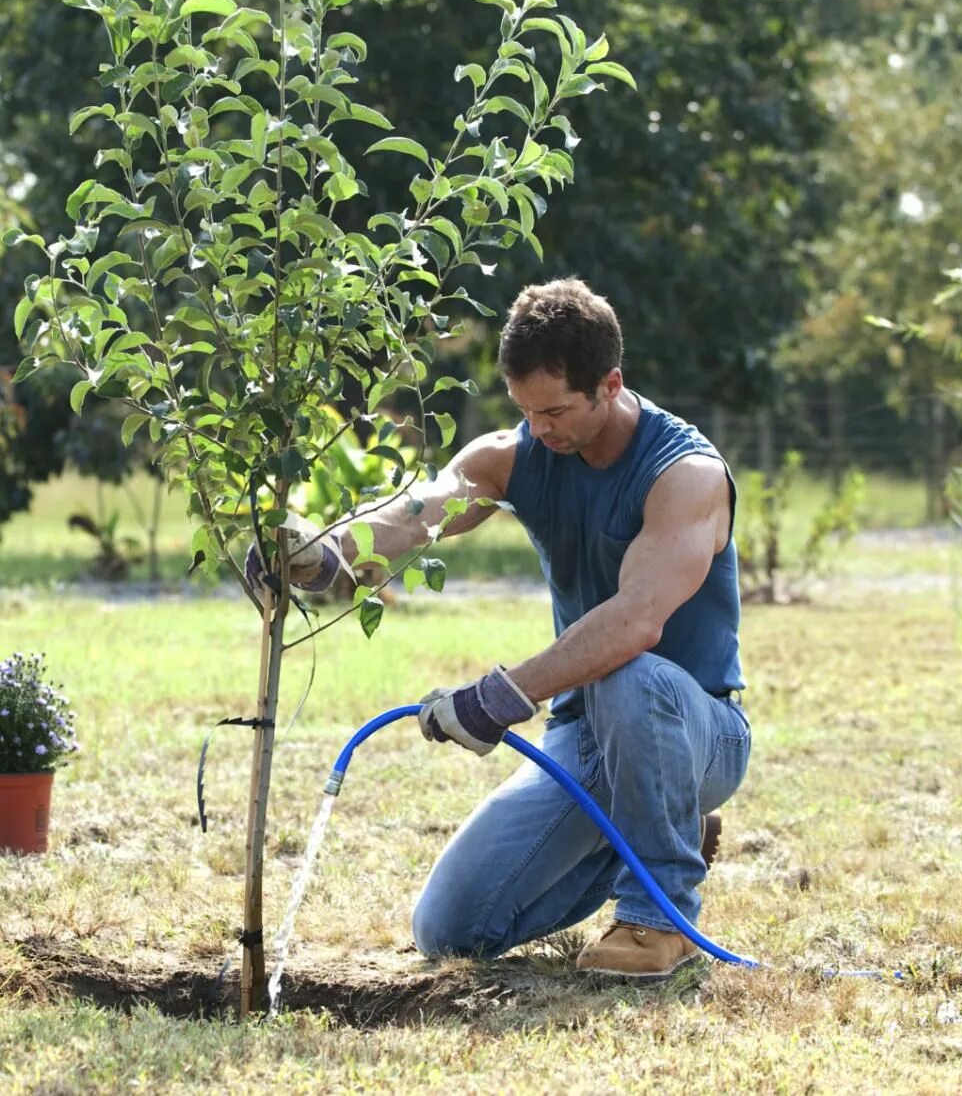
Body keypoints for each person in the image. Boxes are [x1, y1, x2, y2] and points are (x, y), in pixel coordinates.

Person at [248, 278, 749, 978]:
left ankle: (657, 914)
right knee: (449, 926)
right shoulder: (515, 454)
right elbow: (420, 509)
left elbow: (636, 620)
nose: (539, 429)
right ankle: (661, 830)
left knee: (630, 673)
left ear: (610, 384)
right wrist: (322, 553)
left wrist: (502, 695)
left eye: (555, 411)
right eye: (525, 411)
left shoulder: (685, 474)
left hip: (696, 730)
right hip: (585, 732)